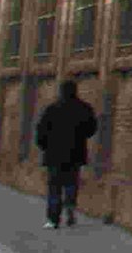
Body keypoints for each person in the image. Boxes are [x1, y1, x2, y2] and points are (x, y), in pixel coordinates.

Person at [33, 78, 99, 230]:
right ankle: (70, 204)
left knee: (54, 186)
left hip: (54, 154)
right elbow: (91, 129)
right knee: (71, 182)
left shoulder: (52, 109)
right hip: (75, 153)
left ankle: (53, 219)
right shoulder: (84, 109)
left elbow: (41, 132)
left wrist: (44, 147)